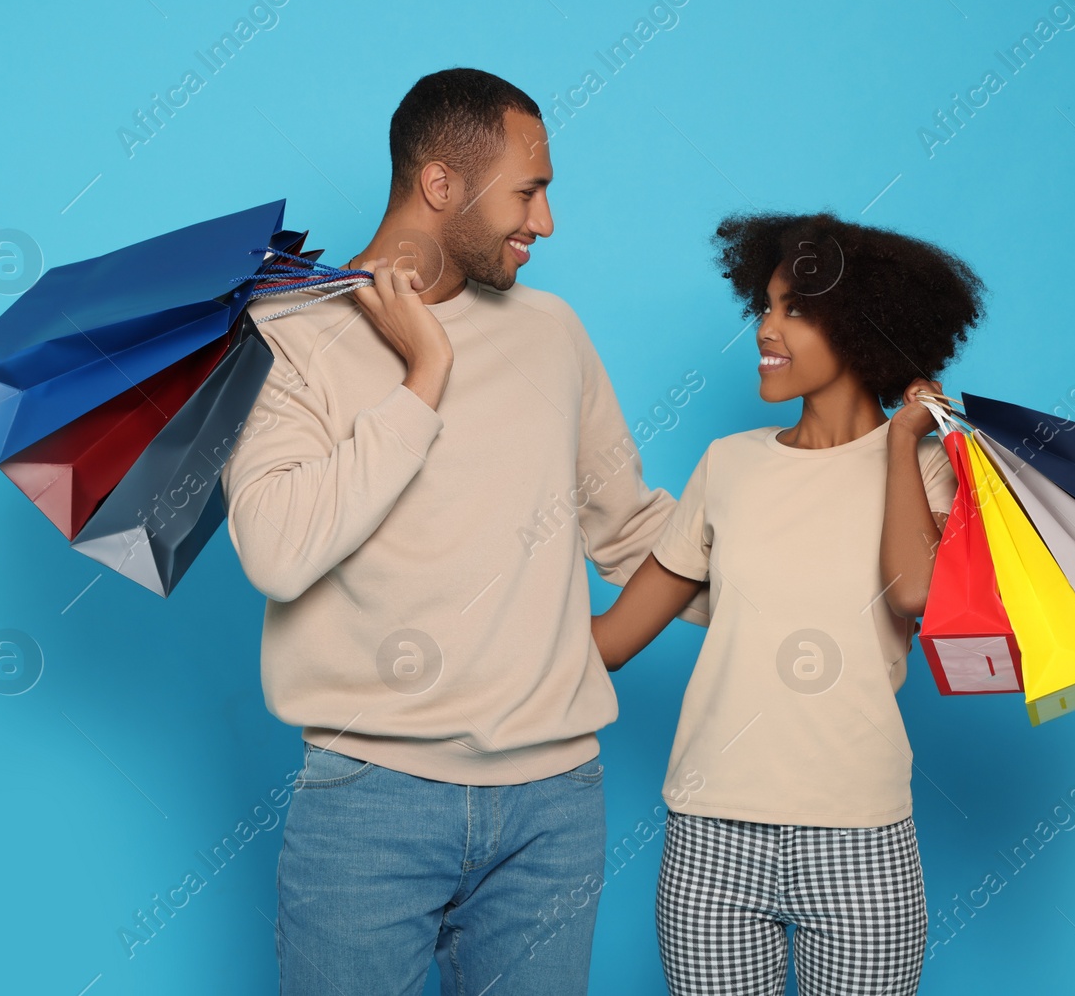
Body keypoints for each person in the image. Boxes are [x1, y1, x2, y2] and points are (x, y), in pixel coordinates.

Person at [219, 67, 709, 996]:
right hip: (369, 804)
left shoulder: (553, 332)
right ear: (440, 184)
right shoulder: (288, 334)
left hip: (554, 813)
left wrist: (815, 551)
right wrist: (424, 375)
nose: (546, 222)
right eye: (530, 191)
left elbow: (637, 533)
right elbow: (277, 552)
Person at [591, 211, 986, 995]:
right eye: (765, 306)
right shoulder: (728, 464)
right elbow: (607, 641)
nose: (767, 328)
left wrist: (903, 442)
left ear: (866, 329)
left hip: (862, 843)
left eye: (795, 309)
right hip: (711, 842)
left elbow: (914, 592)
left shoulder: (934, 469)